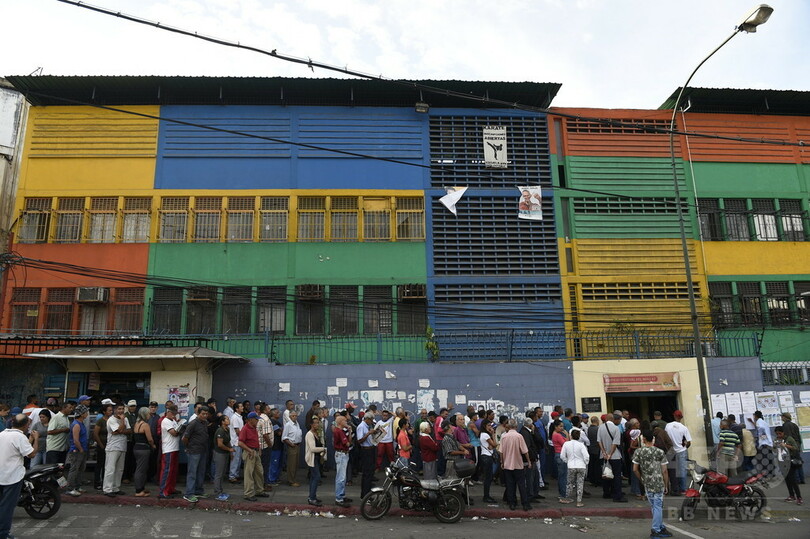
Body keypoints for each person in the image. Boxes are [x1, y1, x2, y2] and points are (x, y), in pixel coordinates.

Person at [0, 414, 38, 539]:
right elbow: (31, 454)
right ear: (26, 425)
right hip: (12, 477)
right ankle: (3, 534)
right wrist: (36, 439)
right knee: (7, 507)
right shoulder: (20, 437)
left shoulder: (2, 434)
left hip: (2, 475)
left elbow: (22, 450)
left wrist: (29, 440)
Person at [633, 430, 672, 539]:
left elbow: (635, 469)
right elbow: (664, 470)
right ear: (653, 439)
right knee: (658, 506)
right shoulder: (660, 452)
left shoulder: (638, 452)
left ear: (643, 439)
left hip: (647, 482)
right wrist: (666, 484)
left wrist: (641, 479)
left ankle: (660, 526)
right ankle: (656, 529)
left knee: (654, 506)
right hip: (658, 482)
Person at [499, 419, 531, 512]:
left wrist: (502, 462)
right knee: (521, 485)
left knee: (510, 485)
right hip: (518, 464)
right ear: (516, 427)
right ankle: (525, 503)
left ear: (508, 426)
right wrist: (528, 461)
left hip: (507, 464)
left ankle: (512, 503)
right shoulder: (519, 436)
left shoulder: (504, 437)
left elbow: (501, 452)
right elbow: (525, 451)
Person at [182, 405, 210, 503]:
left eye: (206, 414)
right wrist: (188, 447)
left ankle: (198, 490)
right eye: (203, 414)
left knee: (200, 472)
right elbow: (185, 438)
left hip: (203, 450)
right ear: (198, 414)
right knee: (192, 473)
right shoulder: (193, 423)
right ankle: (189, 494)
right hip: (193, 451)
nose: (205, 416)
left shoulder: (205, 423)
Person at [238, 412, 267, 501]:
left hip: (255, 451)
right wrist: (249, 450)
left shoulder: (254, 428)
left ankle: (259, 490)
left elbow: (256, 440)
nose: (257, 421)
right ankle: (248, 493)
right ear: (251, 420)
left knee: (259, 472)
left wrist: (259, 449)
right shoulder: (245, 429)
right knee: (249, 473)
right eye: (256, 419)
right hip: (249, 452)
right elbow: (240, 443)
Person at [104, 404, 131, 497]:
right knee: (110, 469)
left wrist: (120, 430)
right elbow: (119, 430)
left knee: (119, 469)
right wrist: (122, 422)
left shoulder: (126, 419)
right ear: (115, 410)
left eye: (123, 409)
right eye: (119, 409)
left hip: (122, 446)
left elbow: (129, 430)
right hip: (113, 447)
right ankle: (107, 489)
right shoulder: (111, 420)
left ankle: (116, 488)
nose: (121, 411)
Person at [598, 412, 626, 502]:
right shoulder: (616, 428)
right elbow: (615, 443)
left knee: (606, 474)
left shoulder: (600, 427)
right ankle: (617, 495)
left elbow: (599, 441)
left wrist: (604, 452)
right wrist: (610, 453)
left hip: (603, 455)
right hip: (615, 455)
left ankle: (606, 492)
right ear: (613, 419)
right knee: (616, 476)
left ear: (606, 419)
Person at [64, 404, 90, 497]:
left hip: (82, 450)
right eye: (85, 412)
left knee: (80, 469)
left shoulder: (81, 423)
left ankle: (78, 486)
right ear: (82, 414)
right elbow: (76, 440)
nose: (87, 414)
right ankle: (70, 488)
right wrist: (81, 449)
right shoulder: (76, 425)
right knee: (74, 469)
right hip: (76, 450)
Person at [560, 429, 589, 507]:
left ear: (571, 436)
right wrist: (585, 463)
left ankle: (567, 498)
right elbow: (586, 456)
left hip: (571, 466)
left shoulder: (566, 444)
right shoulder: (581, 445)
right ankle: (579, 501)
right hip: (581, 466)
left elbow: (562, 456)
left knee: (569, 483)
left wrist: (567, 461)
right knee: (580, 483)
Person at [664, 410, 691, 495]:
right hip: (681, 450)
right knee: (682, 470)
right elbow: (689, 442)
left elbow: (665, 437)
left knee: (672, 470)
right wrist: (685, 447)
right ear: (681, 417)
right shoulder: (684, 428)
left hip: (671, 450)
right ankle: (683, 489)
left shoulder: (668, 426)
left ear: (674, 416)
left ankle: (674, 488)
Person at [132, 406, 156, 497]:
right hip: (143, 449)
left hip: (136, 448)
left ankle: (141, 487)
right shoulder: (145, 425)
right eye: (148, 414)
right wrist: (153, 445)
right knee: (141, 469)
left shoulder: (136, 423)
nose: (149, 415)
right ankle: (138, 490)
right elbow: (150, 439)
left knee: (141, 468)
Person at [775, 426, 802, 505]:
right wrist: (775, 446)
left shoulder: (789, 439)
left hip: (790, 461)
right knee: (787, 480)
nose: (779, 435)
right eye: (777, 434)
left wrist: (786, 445)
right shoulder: (776, 439)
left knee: (793, 480)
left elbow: (796, 448)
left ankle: (799, 497)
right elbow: (775, 449)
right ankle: (791, 495)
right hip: (782, 462)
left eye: (780, 433)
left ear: (783, 432)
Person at [159, 406, 181, 499]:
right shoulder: (166, 421)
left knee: (173, 471)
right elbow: (174, 433)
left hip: (174, 448)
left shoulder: (173, 421)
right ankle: (163, 491)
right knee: (167, 470)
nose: (173, 415)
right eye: (172, 413)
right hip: (169, 449)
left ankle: (170, 488)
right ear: (167, 412)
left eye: (175, 413)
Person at [304, 416, 326, 507]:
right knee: (316, 477)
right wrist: (323, 449)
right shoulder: (310, 434)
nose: (317, 424)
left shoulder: (316, 433)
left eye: (318, 423)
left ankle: (312, 496)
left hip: (316, 458)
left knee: (314, 477)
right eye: (315, 423)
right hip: (312, 459)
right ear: (311, 424)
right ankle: (312, 498)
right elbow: (313, 448)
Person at [213, 414, 235, 501]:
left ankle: (220, 490)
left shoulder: (227, 429)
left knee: (222, 473)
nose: (228, 420)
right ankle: (217, 492)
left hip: (225, 453)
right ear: (222, 421)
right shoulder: (220, 431)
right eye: (227, 419)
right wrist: (229, 449)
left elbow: (228, 441)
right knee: (219, 473)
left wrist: (230, 452)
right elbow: (220, 444)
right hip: (219, 453)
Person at [332, 414, 352, 507]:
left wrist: (349, 431)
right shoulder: (339, 431)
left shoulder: (341, 431)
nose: (346, 422)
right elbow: (347, 443)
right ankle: (339, 498)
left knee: (342, 477)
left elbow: (348, 442)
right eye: (344, 421)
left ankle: (342, 495)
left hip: (343, 454)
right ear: (340, 422)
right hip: (341, 454)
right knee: (341, 477)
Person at [356, 411, 377, 497]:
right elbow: (359, 440)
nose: (371, 422)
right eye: (371, 420)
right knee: (367, 473)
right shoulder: (361, 427)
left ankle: (367, 493)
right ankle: (365, 494)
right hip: (366, 451)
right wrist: (368, 433)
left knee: (370, 472)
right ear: (367, 419)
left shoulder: (368, 426)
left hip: (371, 449)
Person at [781, 412, 804, 485]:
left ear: (785, 417)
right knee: (798, 462)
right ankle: (802, 479)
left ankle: (796, 479)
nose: (781, 418)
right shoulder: (794, 425)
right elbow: (799, 437)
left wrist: (786, 445)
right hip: (797, 445)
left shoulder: (785, 425)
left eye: (782, 417)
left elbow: (788, 437)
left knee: (793, 462)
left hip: (791, 445)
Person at [282, 411, 303, 487]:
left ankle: (293, 479)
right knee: (291, 464)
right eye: (293, 416)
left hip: (297, 445)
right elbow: (284, 437)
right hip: (292, 446)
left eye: (296, 415)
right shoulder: (288, 425)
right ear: (290, 417)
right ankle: (291, 481)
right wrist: (291, 444)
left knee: (295, 464)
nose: (295, 417)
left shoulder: (297, 424)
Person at [258, 403, 274, 492]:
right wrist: (270, 445)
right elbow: (265, 434)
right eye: (268, 409)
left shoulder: (260, 418)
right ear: (264, 410)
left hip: (262, 446)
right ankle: (264, 484)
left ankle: (262, 483)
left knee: (262, 466)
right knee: (265, 466)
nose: (269, 410)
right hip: (265, 446)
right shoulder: (265, 419)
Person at [228, 402, 244, 483]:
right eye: (240, 406)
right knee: (235, 460)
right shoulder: (235, 417)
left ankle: (236, 475)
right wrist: (243, 438)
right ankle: (232, 476)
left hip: (239, 442)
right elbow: (237, 431)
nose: (242, 407)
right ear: (236, 409)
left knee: (238, 460)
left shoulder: (239, 417)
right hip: (235, 442)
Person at [268, 408, 284, 485]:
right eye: (277, 412)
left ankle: (276, 478)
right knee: (274, 463)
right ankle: (271, 479)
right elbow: (279, 433)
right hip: (275, 446)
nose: (279, 413)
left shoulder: (278, 422)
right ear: (273, 414)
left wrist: (281, 429)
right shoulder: (272, 422)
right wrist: (281, 429)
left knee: (278, 464)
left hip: (279, 445)